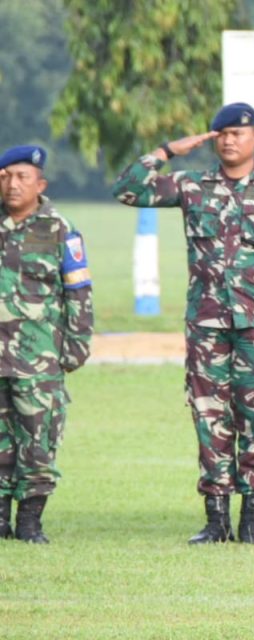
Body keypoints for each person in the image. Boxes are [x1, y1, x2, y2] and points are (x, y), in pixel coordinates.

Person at [112, 103, 254, 544]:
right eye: (220, 134)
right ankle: (217, 518)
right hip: (207, 325)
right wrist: (167, 150)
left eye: (237, 134)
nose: (228, 141)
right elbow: (127, 189)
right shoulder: (193, 187)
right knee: (210, 417)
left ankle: (252, 519)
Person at [0, 145, 94, 543]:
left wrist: (77, 344)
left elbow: (79, 292)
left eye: (21, 177)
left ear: (41, 184)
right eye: (5, 177)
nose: (12, 184)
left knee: (38, 442)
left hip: (39, 359)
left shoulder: (59, 229)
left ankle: (30, 522)